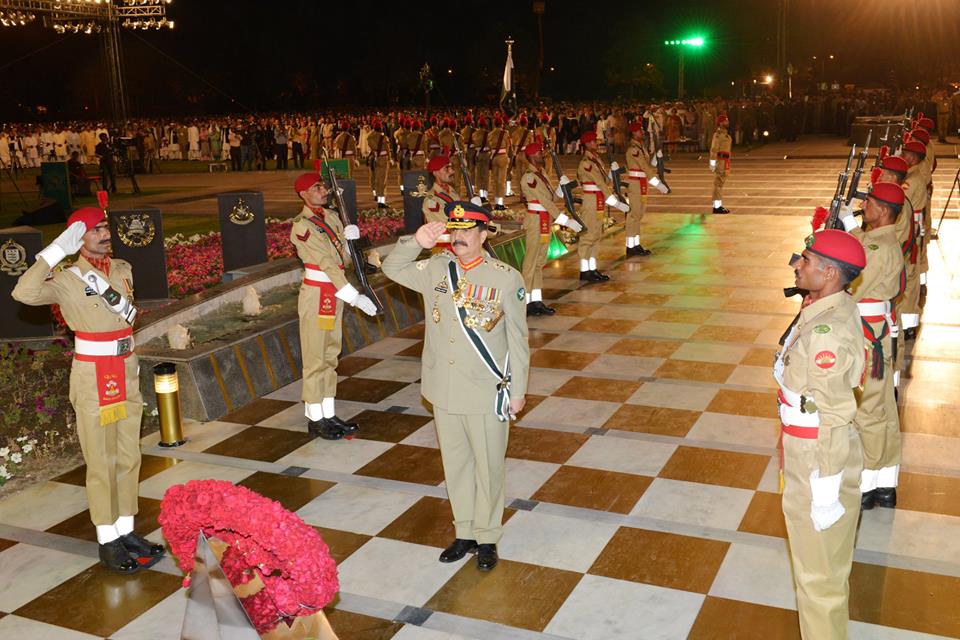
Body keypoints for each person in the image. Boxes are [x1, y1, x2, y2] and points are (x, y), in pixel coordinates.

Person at [12, 205, 165, 574]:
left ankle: (126, 530)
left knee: (129, 455)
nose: (104, 233)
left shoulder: (122, 268)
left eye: (104, 227)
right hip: (93, 375)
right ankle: (107, 538)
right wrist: (53, 254)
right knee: (101, 460)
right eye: (95, 230)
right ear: (77, 238)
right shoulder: (67, 278)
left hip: (125, 369)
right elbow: (23, 292)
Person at [381, 200, 529, 572]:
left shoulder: (505, 277)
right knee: (456, 465)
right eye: (455, 230)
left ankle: (488, 537)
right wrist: (416, 240)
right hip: (443, 390)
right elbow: (391, 267)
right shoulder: (435, 268)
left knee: (489, 468)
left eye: (468, 231)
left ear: (483, 235)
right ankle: (464, 531)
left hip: (484, 389)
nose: (460, 237)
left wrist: (519, 390)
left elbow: (518, 340)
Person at [776, 229, 867, 640]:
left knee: (816, 577)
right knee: (826, 566)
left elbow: (833, 413)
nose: (798, 264)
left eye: (807, 260)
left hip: (817, 457)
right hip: (816, 448)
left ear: (829, 273)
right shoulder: (832, 307)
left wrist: (826, 487)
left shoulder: (823, 335)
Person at [290, 172, 377, 439]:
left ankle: (328, 413)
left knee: (330, 356)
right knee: (315, 359)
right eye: (317, 187)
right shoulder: (302, 226)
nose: (324, 190)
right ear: (304, 194)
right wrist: (355, 297)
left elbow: (343, 263)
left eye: (323, 186)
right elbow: (327, 265)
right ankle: (315, 419)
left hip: (333, 296)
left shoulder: (332, 217)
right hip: (318, 296)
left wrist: (351, 245)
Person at [835, 183, 906, 508]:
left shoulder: (879, 249)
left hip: (867, 336)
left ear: (883, 210)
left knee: (867, 410)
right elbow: (865, 247)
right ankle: (885, 484)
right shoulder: (882, 240)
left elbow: (853, 283)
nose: (865, 208)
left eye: (870, 204)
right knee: (884, 411)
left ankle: (866, 484)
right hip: (876, 329)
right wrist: (849, 225)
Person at [520, 142, 581, 315]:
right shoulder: (529, 177)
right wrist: (566, 221)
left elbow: (551, 197)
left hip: (544, 220)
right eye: (540, 153)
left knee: (539, 262)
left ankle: (536, 301)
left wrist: (561, 189)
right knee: (530, 264)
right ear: (532, 156)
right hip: (535, 221)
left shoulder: (542, 173)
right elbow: (544, 202)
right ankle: (524, 303)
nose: (543, 155)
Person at [577, 131, 628, 282]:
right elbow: (600, 184)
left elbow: (604, 181)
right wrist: (616, 203)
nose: (596, 144)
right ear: (586, 144)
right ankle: (584, 271)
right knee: (588, 237)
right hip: (591, 201)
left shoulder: (596, 160)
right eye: (592, 142)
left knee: (596, 235)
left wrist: (613, 173)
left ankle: (592, 269)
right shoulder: (586, 163)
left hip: (598, 200)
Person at [624, 122, 668, 257]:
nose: (642, 132)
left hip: (642, 183)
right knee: (633, 216)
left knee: (639, 214)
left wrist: (656, 157)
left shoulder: (641, 147)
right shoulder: (634, 149)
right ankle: (630, 246)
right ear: (633, 133)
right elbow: (644, 167)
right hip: (636, 184)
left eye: (642, 130)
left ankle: (636, 244)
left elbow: (648, 164)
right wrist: (659, 184)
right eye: (639, 131)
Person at [709, 114, 732, 213]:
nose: (728, 122)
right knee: (718, 184)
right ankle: (717, 207)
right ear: (721, 123)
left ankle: (718, 206)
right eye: (725, 121)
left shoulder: (725, 134)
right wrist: (713, 163)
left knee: (720, 184)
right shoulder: (718, 135)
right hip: (720, 161)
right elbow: (714, 149)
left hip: (725, 161)